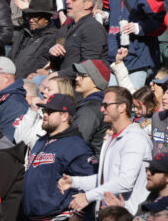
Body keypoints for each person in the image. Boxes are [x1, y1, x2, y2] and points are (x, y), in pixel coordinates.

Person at [59, 86, 153, 216]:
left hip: (129, 215)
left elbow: (125, 182)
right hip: (108, 214)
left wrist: (88, 196)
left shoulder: (135, 138)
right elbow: (106, 178)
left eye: (106, 105)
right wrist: (75, 182)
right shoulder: (111, 138)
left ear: (122, 107)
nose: (102, 109)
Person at [22, 93, 96, 221]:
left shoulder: (76, 145)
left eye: (50, 112)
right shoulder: (41, 141)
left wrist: (79, 215)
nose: (45, 114)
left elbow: (91, 181)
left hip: (60, 216)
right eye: (45, 110)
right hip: (34, 216)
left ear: (64, 116)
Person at [108, 0, 165, 87]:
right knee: (113, 101)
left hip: (139, 58)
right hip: (118, 58)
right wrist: (105, 16)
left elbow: (158, 18)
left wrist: (138, 27)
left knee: (132, 101)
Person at [49, 0, 106, 77]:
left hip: (79, 86)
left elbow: (88, 67)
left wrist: (58, 75)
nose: (67, 1)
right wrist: (53, 55)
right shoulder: (66, 28)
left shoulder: (93, 28)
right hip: (63, 82)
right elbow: (58, 66)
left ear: (87, 4)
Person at [74, 60, 111, 155]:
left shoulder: (90, 108)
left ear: (96, 80)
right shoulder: (99, 103)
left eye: (82, 75)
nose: (77, 79)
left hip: (85, 165)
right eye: (77, 74)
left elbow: (76, 143)